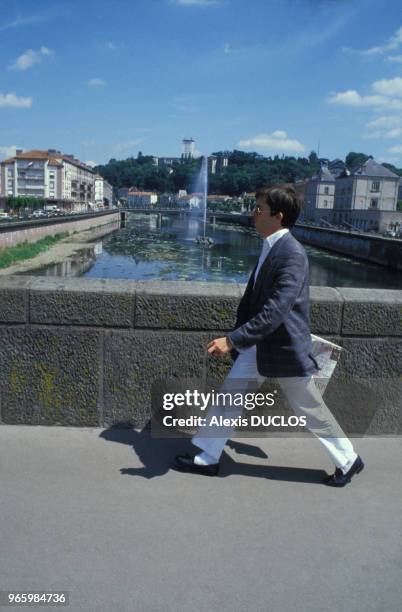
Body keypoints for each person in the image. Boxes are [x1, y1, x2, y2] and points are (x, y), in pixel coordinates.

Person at [174, 185, 364, 487]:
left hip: (282, 347)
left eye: (259, 209)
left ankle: (349, 459)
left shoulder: (292, 254)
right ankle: (207, 457)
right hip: (261, 346)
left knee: (309, 408)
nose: (253, 214)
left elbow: (276, 311)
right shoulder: (272, 245)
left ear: (277, 216)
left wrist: (232, 339)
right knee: (230, 395)